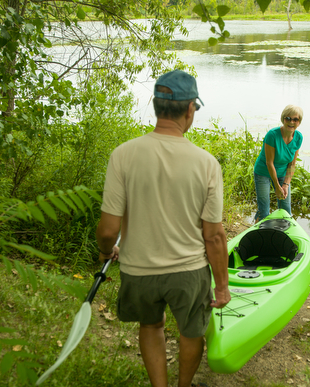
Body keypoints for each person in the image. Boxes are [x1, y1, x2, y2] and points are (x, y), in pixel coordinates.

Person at [95, 69, 231, 387]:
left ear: (156, 106)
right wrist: (222, 286)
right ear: (189, 109)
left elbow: (107, 230)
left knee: (151, 325)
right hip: (189, 270)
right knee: (191, 331)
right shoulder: (206, 163)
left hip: (138, 269)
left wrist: (106, 251)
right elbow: (213, 235)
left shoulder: (123, 155)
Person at [253, 105, 304, 222]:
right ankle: (258, 235)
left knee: (286, 211)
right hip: (264, 171)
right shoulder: (272, 135)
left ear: (299, 122)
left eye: (295, 119)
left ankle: (282, 237)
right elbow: (269, 163)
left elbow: (292, 164)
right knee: (264, 211)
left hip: (282, 173)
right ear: (283, 119)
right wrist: (277, 186)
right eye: (288, 118)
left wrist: (285, 185)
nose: (291, 122)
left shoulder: (298, 137)